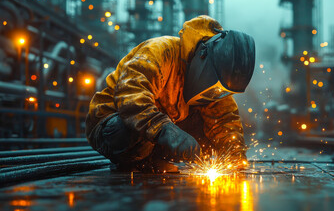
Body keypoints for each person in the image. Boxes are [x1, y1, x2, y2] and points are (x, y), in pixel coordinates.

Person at [85, 15, 255, 173]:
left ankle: (152, 158)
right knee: (124, 131)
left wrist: (235, 155)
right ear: (202, 56)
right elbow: (130, 95)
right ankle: (134, 161)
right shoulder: (160, 51)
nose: (215, 94)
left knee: (208, 143)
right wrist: (164, 129)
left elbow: (224, 119)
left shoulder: (215, 77)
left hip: (160, 130)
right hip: (109, 123)